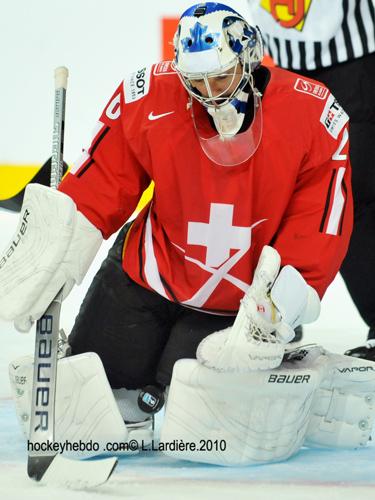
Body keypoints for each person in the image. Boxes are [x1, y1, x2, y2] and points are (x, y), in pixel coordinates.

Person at [2, 2, 366, 464]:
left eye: (221, 78)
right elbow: (103, 182)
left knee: (201, 424)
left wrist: (276, 313)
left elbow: (320, 225)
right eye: (196, 82)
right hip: (145, 279)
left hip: (238, 308)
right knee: (88, 405)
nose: (210, 94)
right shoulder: (149, 95)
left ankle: (303, 379)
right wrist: (55, 245)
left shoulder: (313, 114)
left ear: (248, 59)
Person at [247, 0, 375, 359]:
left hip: (353, 60)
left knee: (354, 194)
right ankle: (278, 313)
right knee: (284, 190)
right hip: (284, 59)